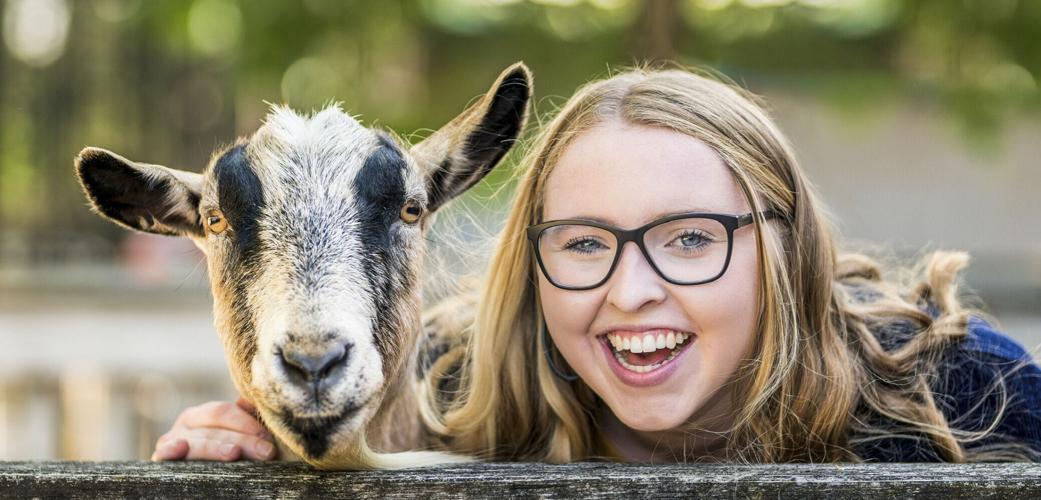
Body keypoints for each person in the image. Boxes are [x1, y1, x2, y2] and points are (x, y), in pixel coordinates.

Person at [153, 66, 1041, 463]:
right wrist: (283, 454)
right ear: (531, 261)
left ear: (781, 243)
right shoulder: (444, 391)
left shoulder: (968, 400)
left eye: (690, 237)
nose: (629, 290)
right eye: (583, 242)